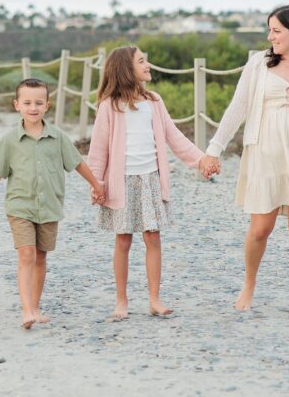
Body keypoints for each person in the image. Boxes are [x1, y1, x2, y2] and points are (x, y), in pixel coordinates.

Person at [202, 5, 289, 321]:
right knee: (260, 228)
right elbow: (237, 109)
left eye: (276, 31)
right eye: (270, 30)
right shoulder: (259, 65)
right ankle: (249, 284)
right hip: (266, 153)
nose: (270, 37)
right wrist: (214, 149)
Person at [88, 46, 216, 320]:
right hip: (120, 182)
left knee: (152, 237)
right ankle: (121, 301)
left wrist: (201, 159)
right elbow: (98, 150)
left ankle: (155, 299)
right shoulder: (109, 107)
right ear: (126, 69)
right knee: (122, 240)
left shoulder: (154, 102)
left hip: (150, 180)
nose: (148, 65)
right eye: (142, 61)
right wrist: (96, 183)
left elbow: (174, 137)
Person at [0, 78, 106, 328]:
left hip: (50, 207)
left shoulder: (58, 137)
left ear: (47, 106)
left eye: (39, 103)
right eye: (28, 102)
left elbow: (77, 163)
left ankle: (36, 305)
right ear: (17, 105)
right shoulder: (10, 140)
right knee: (27, 253)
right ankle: (27, 310)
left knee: (41, 257)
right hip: (20, 207)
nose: (33, 107)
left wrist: (96, 185)